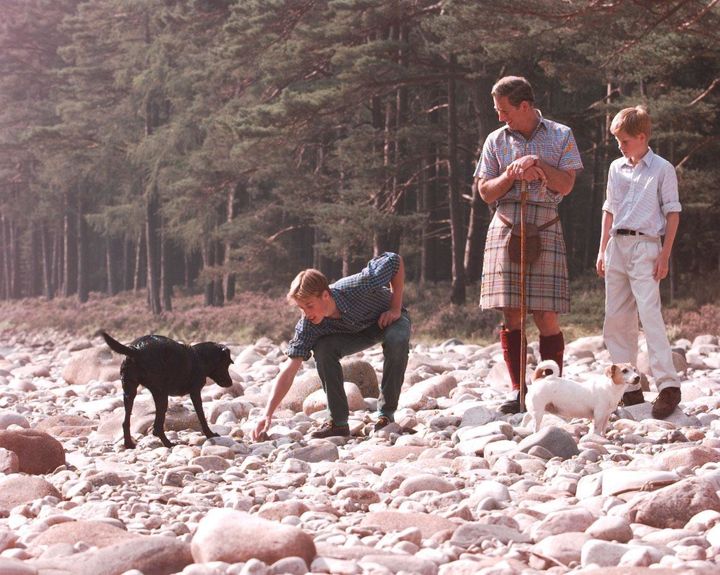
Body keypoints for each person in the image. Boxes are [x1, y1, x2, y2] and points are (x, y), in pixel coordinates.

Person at [474, 76, 583, 414]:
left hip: (545, 221)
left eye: (504, 110)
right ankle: (520, 391)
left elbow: (565, 185)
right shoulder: (496, 140)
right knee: (511, 313)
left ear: (524, 106)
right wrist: (511, 174)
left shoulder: (561, 135)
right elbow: (485, 192)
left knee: (546, 314)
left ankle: (550, 391)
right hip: (506, 223)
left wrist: (536, 163)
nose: (500, 116)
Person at [252, 252, 411, 440]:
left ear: (325, 295)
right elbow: (289, 370)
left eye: (309, 305)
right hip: (355, 334)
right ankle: (338, 423)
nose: (306, 313)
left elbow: (394, 261)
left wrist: (395, 307)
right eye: (301, 308)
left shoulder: (359, 285)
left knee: (397, 340)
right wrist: (267, 413)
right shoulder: (308, 325)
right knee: (323, 348)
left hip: (388, 320)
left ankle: (386, 416)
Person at [596, 105, 682, 419]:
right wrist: (602, 248)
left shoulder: (662, 169)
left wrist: (664, 254)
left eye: (626, 140)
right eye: (618, 140)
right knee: (616, 318)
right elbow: (609, 208)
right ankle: (629, 389)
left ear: (642, 136)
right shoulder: (615, 168)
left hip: (647, 245)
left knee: (650, 315)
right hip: (617, 244)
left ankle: (669, 385)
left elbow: (673, 212)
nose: (620, 145)